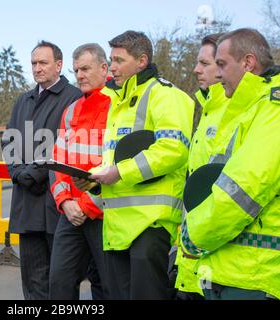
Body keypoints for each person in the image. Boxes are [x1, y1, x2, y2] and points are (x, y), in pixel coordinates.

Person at [76, 31, 194, 299]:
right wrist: (94, 182)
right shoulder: (117, 103)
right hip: (118, 228)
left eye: (119, 60)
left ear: (142, 61)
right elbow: (112, 161)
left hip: (150, 227)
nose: (112, 67)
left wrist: (118, 172)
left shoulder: (166, 95)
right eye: (111, 59)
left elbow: (173, 149)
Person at [181, 28, 280, 300]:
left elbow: (242, 188)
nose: (218, 73)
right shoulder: (251, 107)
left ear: (248, 63)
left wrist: (192, 235)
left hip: (254, 276)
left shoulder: (274, 109)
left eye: (222, 64)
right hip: (232, 270)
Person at [1, 41, 82, 300]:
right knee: (33, 280)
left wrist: (34, 172)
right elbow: (9, 140)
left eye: (43, 62)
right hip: (26, 202)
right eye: (34, 63)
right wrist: (17, 173)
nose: (37, 68)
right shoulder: (23, 100)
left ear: (58, 65)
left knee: (61, 280)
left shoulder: (73, 98)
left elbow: (65, 142)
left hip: (56, 201)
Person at [48, 43, 112, 300]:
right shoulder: (71, 110)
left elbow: (117, 163)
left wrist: (87, 204)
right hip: (72, 212)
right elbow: (58, 160)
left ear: (104, 68)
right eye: (76, 70)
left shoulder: (118, 107)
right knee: (60, 281)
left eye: (85, 68)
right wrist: (65, 202)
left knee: (107, 285)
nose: (80, 75)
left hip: (105, 212)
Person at [172, 33, 229, 300]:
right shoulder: (207, 111)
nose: (196, 69)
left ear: (224, 64)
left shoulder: (237, 113)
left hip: (215, 257)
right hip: (192, 254)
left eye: (205, 63)